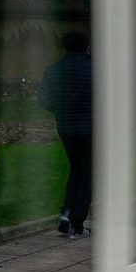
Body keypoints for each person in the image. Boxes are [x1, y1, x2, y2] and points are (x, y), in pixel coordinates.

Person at [39, 31, 93, 239]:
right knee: (87, 174)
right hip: (89, 129)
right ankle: (77, 225)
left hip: (66, 128)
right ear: (86, 47)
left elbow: (43, 100)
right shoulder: (95, 70)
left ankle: (66, 215)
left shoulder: (52, 71)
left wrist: (62, 108)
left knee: (76, 169)